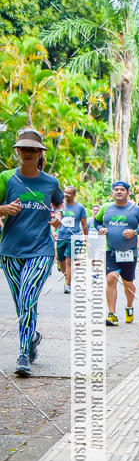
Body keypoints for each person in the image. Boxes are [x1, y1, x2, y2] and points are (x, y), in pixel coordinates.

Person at [0, 128, 63, 376]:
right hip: (11, 251)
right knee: (22, 304)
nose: (28, 152)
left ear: (40, 153)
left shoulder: (50, 182)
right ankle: (32, 336)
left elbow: (59, 204)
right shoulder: (6, 178)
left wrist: (58, 216)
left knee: (28, 298)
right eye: (24, 148)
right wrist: (4, 208)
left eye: (33, 149)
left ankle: (23, 354)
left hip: (41, 249)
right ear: (18, 151)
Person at [95, 181, 139, 326]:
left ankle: (129, 307)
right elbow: (96, 221)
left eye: (122, 190)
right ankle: (112, 314)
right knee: (111, 278)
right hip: (111, 251)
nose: (119, 192)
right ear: (112, 192)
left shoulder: (135, 209)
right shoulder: (106, 208)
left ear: (128, 193)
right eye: (116, 189)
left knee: (128, 283)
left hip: (129, 252)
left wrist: (135, 232)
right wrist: (100, 228)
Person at [55, 186, 88, 293]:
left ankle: (67, 285)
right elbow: (56, 220)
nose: (66, 195)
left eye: (69, 193)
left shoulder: (80, 208)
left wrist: (85, 239)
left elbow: (84, 225)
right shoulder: (60, 207)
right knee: (61, 261)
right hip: (61, 236)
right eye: (65, 192)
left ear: (74, 195)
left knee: (70, 260)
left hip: (75, 237)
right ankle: (67, 276)